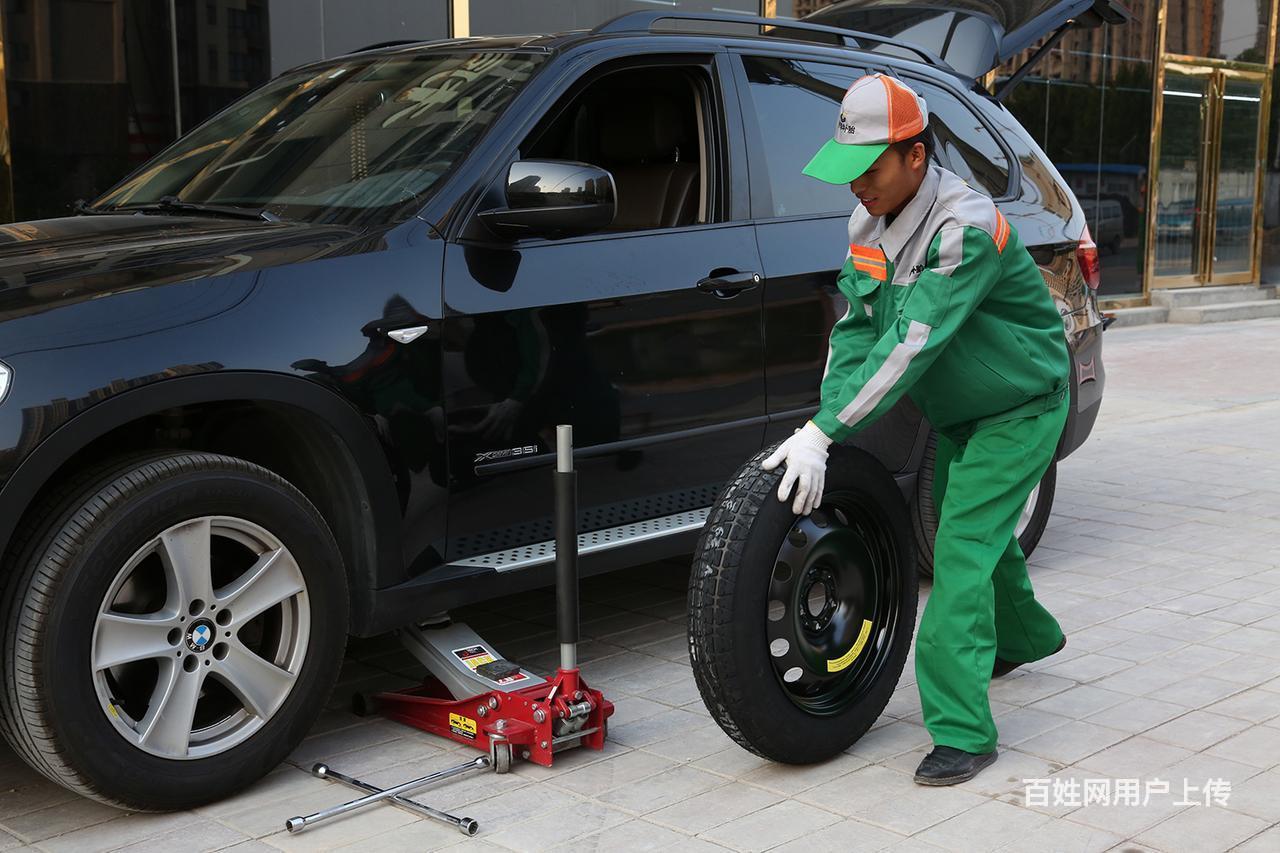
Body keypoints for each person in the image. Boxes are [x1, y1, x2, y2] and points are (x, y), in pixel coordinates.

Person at [761, 73, 1070, 786]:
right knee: (983, 537)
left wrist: (827, 427)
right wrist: (821, 426)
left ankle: (963, 731)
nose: (855, 188)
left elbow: (910, 345)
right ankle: (1030, 635)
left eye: (867, 170)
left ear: (915, 158)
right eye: (847, 173)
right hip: (962, 409)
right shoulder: (868, 223)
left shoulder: (966, 228)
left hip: (1021, 406)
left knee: (958, 548)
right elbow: (858, 332)